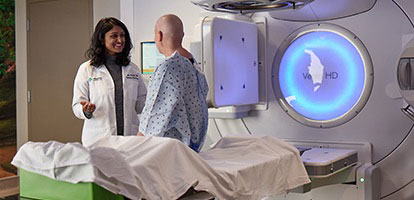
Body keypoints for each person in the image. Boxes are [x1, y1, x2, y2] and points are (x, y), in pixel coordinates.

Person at [138, 14, 209, 152]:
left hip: (168, 153)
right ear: (182, 35)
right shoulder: (194, 66)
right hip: (190, 150)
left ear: (159, 35)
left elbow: (153, 118)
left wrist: (133, 150)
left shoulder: (168, 68)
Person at [72, 17, 147, 147]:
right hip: (99, 140)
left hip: (130, 139)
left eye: (122, 36)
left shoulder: (133, 69)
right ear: (102, 39)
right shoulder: (87, 69)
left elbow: (141, 104)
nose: (120, 40)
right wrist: (85, 109)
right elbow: (76, 106)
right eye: (114, 36)